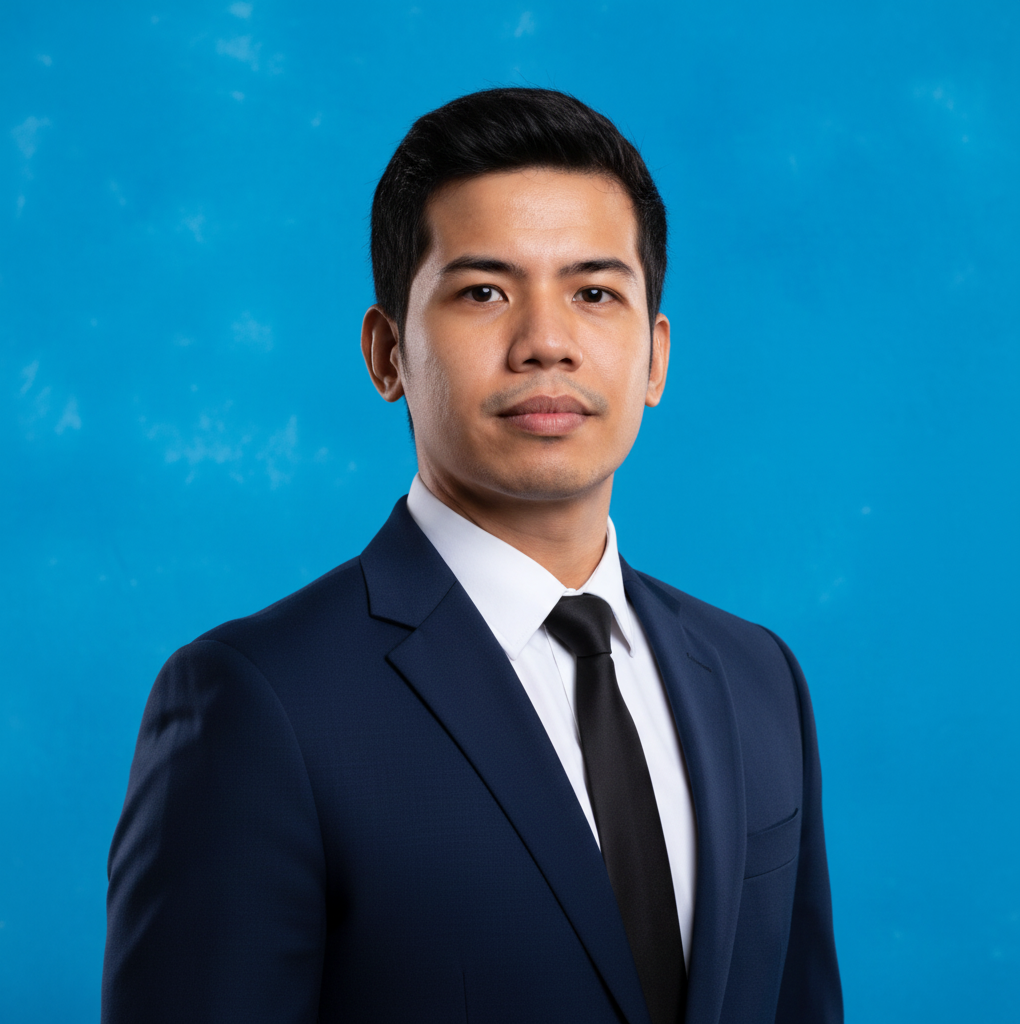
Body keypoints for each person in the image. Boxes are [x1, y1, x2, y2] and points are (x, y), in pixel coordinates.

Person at [102, 88, 842, 1024]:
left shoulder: (757, 677)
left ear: (654, 358)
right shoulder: (255, 705)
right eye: (484, 291)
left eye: (594, 292)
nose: (547, 343)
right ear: (387, 355)